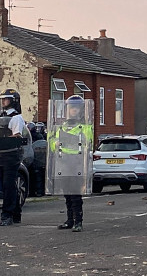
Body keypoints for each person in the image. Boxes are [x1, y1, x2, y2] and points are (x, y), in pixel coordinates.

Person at [50, 95, 94, 232]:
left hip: (77, 163)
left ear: (80, 110)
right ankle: (69, 220)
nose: (72, 110)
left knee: (75, 194)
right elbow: (52, 143)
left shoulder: (85, 127)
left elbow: (88, 143)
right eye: (70, 108)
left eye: (75, 108)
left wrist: (72, 140)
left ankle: (78, 221)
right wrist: (55, 144)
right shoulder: (61, 127)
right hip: (63, 163)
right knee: (67, 194)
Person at [0, 88, 26, 226]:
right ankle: (16, 213)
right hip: (2, 154)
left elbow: (17, 135)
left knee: (9, 185)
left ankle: (7, 215)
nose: (3, 101)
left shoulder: (15, 117)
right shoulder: (1, 116)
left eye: (6, 99)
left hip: (12, 154)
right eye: (2, 99)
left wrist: (3, 138)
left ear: (13, 101)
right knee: (7, 185)